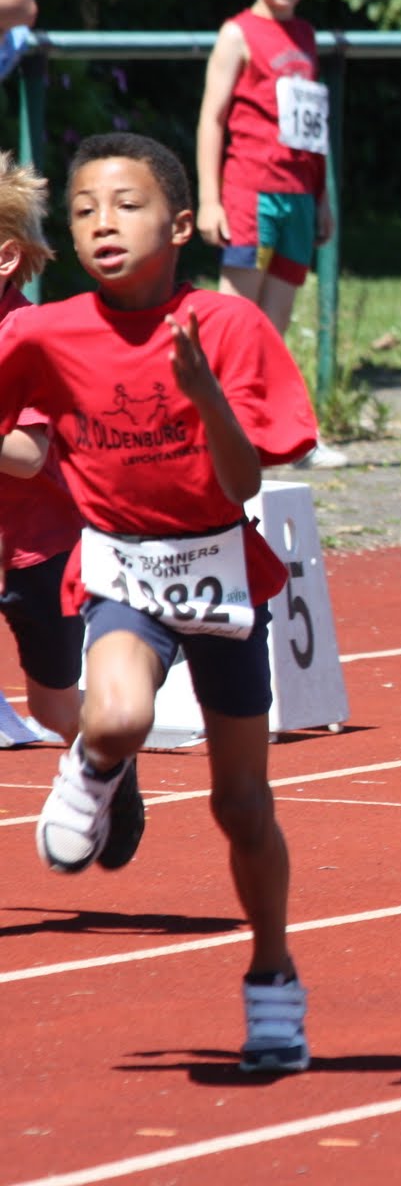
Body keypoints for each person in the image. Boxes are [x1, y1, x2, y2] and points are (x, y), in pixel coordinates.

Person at [0, 132, 320, 1072]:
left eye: (126, 205)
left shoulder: (229, 326)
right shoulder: (43, 334)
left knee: (241, 805)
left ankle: (272, 976)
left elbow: (245, 480)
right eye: (85, 210)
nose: (103, 223)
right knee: (115, 716)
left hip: (219, 565)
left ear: (179, 225)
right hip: (119, 567)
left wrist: (206, 396)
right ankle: (95, 770)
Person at [0, 153, 147, 873]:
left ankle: (109, 769)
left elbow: (28, 455)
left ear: (5, 258)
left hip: (38, 547)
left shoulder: (32, 337)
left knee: (56, 708)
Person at [196, 0, 345, 471]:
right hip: (251, 193)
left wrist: (322, 198)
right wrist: (210, 199)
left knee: (274, 326)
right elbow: (212, 119)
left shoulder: (305, 36)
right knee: (236, 318)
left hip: (299, 197)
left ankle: (281, 437)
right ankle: (208, 434)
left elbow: (313, 130)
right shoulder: (236, 34)